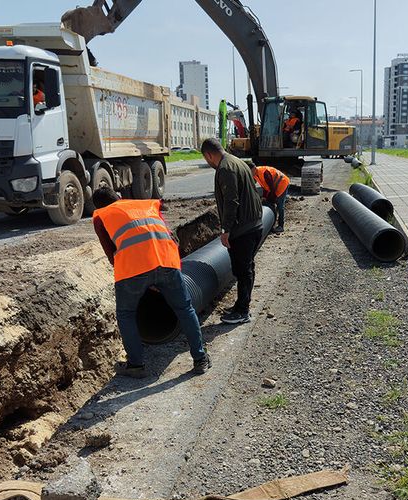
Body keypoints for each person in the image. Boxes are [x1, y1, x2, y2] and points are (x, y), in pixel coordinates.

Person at [92, 187, 211, 377]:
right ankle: (200, 359)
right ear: (119, 197)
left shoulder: (101, 216)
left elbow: (110, 253)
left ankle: (136, 365)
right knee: (185, 309)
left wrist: (134, 278)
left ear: (97, 207)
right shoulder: (146, 205)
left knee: (126, 313)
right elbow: (170, 237)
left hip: (133, 270)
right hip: (167, 261)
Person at [200, 138, 263, 324]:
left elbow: (231, 201)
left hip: (243, 228)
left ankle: (243, 311)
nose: (208, 162)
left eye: (206, 159)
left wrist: (226, 229)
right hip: (253, 223)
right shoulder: (237, 162)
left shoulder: (226, 169)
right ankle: (241, 305)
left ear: (209, 155)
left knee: (243, 270)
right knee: (245, 268)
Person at [247, 161, 289, 233]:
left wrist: (272, 198)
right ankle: (272, 224)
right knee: (270, 202)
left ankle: (281, 226)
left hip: (282, 184)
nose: (249, 174)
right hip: (275, 186)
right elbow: (265, 186)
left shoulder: (264, 172)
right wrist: (264, 197)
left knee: (280, 205)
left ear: (254, 168)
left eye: (250, 171)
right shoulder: (255, 174)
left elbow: (272, 188)